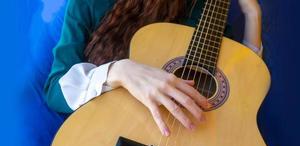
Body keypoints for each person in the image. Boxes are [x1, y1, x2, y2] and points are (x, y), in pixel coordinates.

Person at [44, 0, 262, 136]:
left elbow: (242, 92)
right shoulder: (89, 3)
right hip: (115, 141)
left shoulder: (205, 13)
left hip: (187, 142)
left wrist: (253, 15)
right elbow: (56, 90)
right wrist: (118, 71)